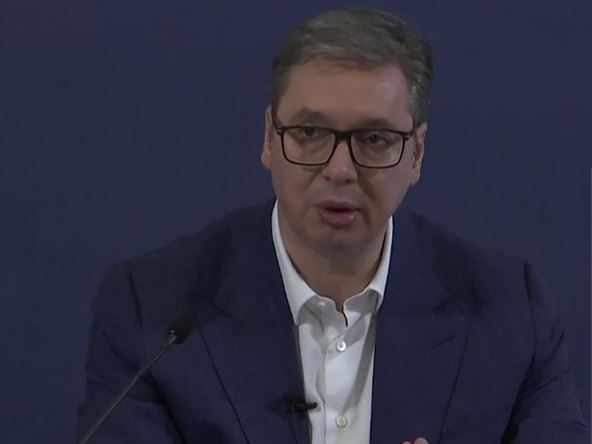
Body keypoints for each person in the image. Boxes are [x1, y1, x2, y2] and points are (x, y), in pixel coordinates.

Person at [76, 7, 589, 444]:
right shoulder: (152, 312)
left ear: (416, 154)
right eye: (309, 132)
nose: (339, 169)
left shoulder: (509, 311)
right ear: (269, 139)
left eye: (375, 140)